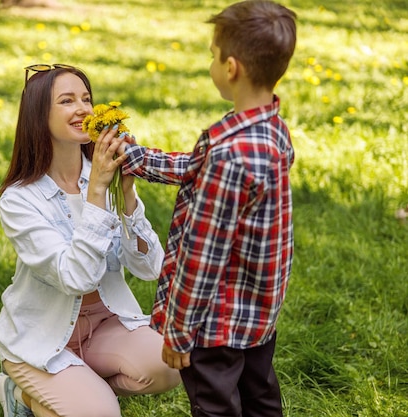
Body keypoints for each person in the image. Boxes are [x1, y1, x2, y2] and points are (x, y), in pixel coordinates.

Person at [118, 1, 297, 416]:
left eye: (212, 55)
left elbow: (202, 256)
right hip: (257, 312)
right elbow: (197, 167)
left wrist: (179, 333)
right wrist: (139, 158)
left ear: (230, 67)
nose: (211, 63)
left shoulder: (231, 157)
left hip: (214, 322)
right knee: (260, 397)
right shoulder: (268, 130)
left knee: (215, 406)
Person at [0, 64, 180, 417]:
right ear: (38, 116)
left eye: (86, 98)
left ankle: (77, 390)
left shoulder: (103, 176)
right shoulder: (19, 200)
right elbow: (75, 278)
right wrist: (96, 191)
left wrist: (126, 194)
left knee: (167, 365)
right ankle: (26, 394)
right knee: (100, 414)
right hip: (42, 337)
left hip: (104, 323)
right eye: (66, 100)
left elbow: (150, 266)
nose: (83, 109)